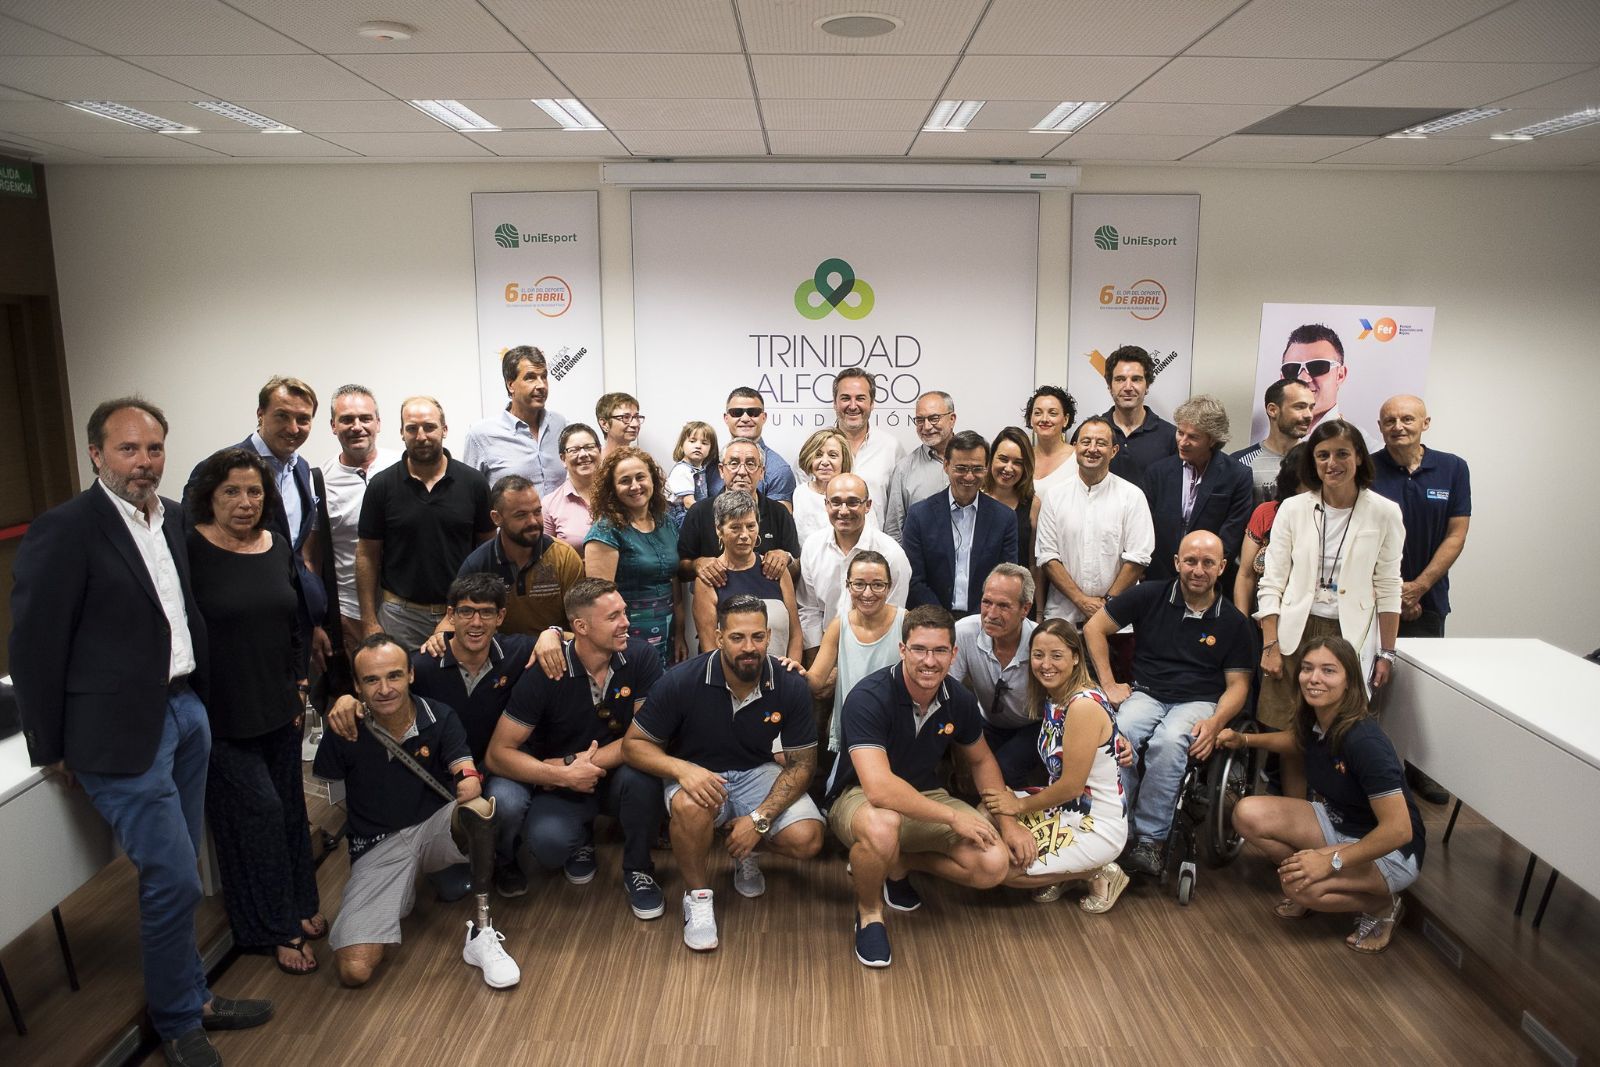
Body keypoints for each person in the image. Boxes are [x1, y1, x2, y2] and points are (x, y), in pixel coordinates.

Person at [11, 398, 273, 1067]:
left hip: (186, 712)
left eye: (153, 448)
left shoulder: (174, 518)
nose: (144, 462)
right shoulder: (65, 529)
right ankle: (179, 1019)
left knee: (180, 862)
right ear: (95, 453)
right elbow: (35, 646)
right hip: (120, 731)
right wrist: (53, 746)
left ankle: (194, 995)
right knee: (174, 876)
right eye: (128, 449)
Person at [824, 605, 1036, 969]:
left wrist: (1009, 822)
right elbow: (879, 788)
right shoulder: (868, 697)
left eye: (940, 651)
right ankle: (869, 912)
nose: (929, 661)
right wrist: (953, 819)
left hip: (924, 795)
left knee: (993, 863)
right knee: (883, 825)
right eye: (919, 649)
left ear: (953, 655)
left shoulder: (959, 699)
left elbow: (983, 761)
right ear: (903, 650)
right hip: (856, 796)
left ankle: (898, 863)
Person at [312, 635, 520, 989]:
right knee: (354, 970)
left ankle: (482, 931)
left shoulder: (439, 715)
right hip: (377, 844)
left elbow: (466, 769)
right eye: (371, 680)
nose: (384, 689)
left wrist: (468, 782)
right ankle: (407, 886)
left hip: (432, 828)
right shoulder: (344, 727)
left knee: (479, 807)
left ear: (410, 675)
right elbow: (334, 796)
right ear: (357, 685)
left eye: (393, 676)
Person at [622, 595, 825, 952]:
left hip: (755, 770)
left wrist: (759, 820)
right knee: (690, 807)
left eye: (758, 637)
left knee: (808, 837)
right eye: (737, 638)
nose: (750, 648)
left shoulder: (790, 683)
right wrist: (682, 769)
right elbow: (633, 746)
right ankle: (698, 897)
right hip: (698, 771)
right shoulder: (682, 680)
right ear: (718, 638)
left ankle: (747, 850)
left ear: (768, 635)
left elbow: (803, 764)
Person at [185, 448, 321, 977]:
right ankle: (269, 925)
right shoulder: (190, 550)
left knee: (289, 809)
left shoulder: (275, 544)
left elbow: (291, 623)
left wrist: (300, 683)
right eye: (231, 492)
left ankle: (301, 901)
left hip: (278, 704)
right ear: (210, 496)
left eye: (255, 492)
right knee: (255, 816)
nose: (245, 503)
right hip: (219, 712)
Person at [1223, 635, 1424, 953]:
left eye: (1328, 671)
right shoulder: (1320, 720)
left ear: (1349, 682)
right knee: (1246, 813)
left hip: (1391, 852)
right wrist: (1244, 741)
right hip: (1339, 824)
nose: (1314, 678)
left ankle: (1383, 905)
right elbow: (1297, 742)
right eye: (1307, 668)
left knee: (1298, 888)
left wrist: (1331, 861)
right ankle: (1314, 876)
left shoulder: (1366, 742)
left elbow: (1399, 830)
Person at [484, 578, 668, 918]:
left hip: (615, 777)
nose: (626, 622)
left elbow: (644, 739)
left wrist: (573, 763)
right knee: (549, 847)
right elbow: (498, 753)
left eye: (624, 612)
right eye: (614, 616)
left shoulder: (640, 657)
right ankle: (581, 838)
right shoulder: (545, 671)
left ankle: (638, 868)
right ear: (580, 627)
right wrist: (563, 774)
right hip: (563, 784)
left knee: (644, 774)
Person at [1083, 531, 1254, 878]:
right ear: (1177, 562)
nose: (1198, 569)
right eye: (1190, 560)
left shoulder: (1234, 622)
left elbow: (1239, 686)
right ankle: (1116, 828)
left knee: (1170, 741)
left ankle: (1150, 839)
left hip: (1199, 701)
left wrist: (1218, 721)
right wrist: (1108, 684)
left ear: (1221, 567)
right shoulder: (1149, 595)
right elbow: (1093, 628)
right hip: (1146, 692)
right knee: (1122, 734)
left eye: (1208, 562)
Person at [1255, 420, 1404, 757]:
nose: (1331, 463)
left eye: (1341, 454)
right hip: (1295, 630)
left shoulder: (1384, 512)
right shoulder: (1294, 509)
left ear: (1360, 458)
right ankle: (1291, 805)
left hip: (1349, 636)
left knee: (1339, 734)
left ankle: (1328, 807)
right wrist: (1270, 644)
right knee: (1289, 732)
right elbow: (1272, 580)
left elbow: (1389, 585)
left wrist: (1387, 652)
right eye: (1322, 455)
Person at [981, 620, 1130, 911]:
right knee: (987, 812)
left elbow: (1073, 786)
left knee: (1002, 868)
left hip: (1094, 822)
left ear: (1076, 657)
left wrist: (1018, 807)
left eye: (1056, 655)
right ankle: (1063, 872)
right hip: (1061, 809)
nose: (1045, 664)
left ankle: (1101, 870)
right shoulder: (1056, 698)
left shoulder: (1082, 705)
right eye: (1038, 655)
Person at [191, 375, 330, 676]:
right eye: (282, 416)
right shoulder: (218, 469)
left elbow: (296, 550)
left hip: (293, 615)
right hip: (241, 619)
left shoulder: (302, 468)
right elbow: (195, 547)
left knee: (294, 699)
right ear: (260, 414)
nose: (293, 428)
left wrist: (312, 618)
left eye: (303, 419)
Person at [1372, 394, 1470, 805]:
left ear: (1425, 423)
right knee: (1373, 686)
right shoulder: (1367, 469)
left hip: (1428, 600)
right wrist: (1396, 591)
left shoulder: (1452, 468)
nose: (1398, 426)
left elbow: (1456, 533)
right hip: (1375, 599)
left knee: (1421, 691)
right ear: (1380, 427)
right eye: (1389, 420)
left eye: (1407, 418)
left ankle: (1421, 771)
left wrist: (1419, 587)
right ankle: (1374, 772)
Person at [356, 396, 494, 649]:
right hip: (399, 616)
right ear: (401, 432)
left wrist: (461, 610)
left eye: (429, 427)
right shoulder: (381, 486)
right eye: (412, 428)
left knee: (457, 687)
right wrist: (368, 620)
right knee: (401, 687)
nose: (421, 436)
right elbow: (367, 555)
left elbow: (487, 551)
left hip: (461, 614)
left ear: (444, 429)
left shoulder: (473, 483)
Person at [1035, 415, 1153, 625]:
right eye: (1086, 441)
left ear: (1114, 451)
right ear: (1075, 447)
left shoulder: (1132, 496)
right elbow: (1047, 557)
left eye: (1101, 443)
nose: (1092, 449)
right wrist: (1081, 601)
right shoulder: (1054, 496)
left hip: (1118, 621)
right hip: (1063, 618)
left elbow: (1138, 558)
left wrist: (1108, 604)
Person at [584, 445, 683, 668]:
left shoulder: (666, 522)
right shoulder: (605, 530)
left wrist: (680, 633)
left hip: (667, 633)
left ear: (653, 480)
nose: (635, 486)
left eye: (641, 477)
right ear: (612, 488)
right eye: (625, 480)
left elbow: (674, 581)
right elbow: (599, 600)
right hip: (626, 637)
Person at [320, 385, 400, 660]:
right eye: (346, 419)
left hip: (404, 609)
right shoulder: (319, 482)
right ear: (333, 425)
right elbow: (312, 557)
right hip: (349, 614)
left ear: (378, 423)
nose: (357, 427)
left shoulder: (404, 467)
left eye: (365, 418)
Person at [902, 431, 1019, 616]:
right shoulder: (919, 515)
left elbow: (1006, 578)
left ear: (986, 468)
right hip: (932, 621)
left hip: (985, 620)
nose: (969, 477)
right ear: (946, 466)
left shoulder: (1004, 518)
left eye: (977, 468)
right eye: (961, 468)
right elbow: (914, 579)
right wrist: (942, 620)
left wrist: (976, 620)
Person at [1140, 395, 1253, 585]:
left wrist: (1204, 568)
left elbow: (1232, 533)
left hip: (1209, 579)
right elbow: (1144, 526)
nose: (1182, 442)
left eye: (1193, 437)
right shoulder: (1157, 472)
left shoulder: (1237, 475)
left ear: (1212, 439)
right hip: (1160, 575)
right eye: (1180, 432)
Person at [455, 474, 583, 636]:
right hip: (501, 655)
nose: (533, 522)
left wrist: (554, 635)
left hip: (556, 651)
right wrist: (439, 637)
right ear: (496, 518)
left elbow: (583, 625)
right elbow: (456, 621)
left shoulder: (564, 557)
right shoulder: (478, 564)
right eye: (521, 515)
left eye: (537, 512)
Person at [797, 472, 912, 652]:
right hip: (824, 650)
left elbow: (892, 620)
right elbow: (809, 609)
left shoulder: (891, 554)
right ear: (826, 505)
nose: (843, 511)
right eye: (835, 502)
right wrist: (818, 658)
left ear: (867, 505)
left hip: (875, 649)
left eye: (852, 502)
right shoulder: (812, 547)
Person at [949, 565, 1039, 788]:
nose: (991, 614)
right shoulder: (964, 631)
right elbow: (945, 689)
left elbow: (1074, 694)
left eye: (1004, 606)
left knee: (1005, 768)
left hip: (1033, 724)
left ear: (1025, 609)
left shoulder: (1042, 640)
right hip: (987, 721)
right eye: (987, 602)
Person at [806, 550, 905, 753]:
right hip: (852, 729)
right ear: (848, 586)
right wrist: (791, 672)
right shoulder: (838, 626)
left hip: (896, 728)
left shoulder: (906, 622)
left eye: (877, 584)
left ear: (889, 586)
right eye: (859, 584)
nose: (867, 593)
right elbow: (815, 680)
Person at [677, 438, 800, 591]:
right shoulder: (699, 512)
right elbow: (680, 569)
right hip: (714, 605)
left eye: (750, 464)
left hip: (768, 603)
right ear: (721, 470)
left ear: (761, 472)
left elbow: (797, 568)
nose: (742, 472)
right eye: (734, 463)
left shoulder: (779, 513)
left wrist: (786, 558)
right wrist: (696, 565)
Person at [692, 491, 803, 661]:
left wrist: (791, 671)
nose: (744, 535)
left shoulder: (776, 571)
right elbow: (710, 650)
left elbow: (795, 634)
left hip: (780, 679)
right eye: (735, 527)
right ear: (719, 530)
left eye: (751, 526)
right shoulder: (708, 580)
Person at [461, 345, 567, 497]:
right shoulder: (481, 435)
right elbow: (469, 495)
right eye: (530, 377)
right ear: (511, 385)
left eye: (544, 376)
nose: (541, 385)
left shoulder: (560, 424)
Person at [1234, 445, 1306, 618]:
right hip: (1262, 614)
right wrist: (1241, 626)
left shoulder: (1329, 517)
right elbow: (1245, 575)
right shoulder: (1267, 512)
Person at [882, 390, 958, 540]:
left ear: (952, 419)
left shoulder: (975, 461)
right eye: (920, 420)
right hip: (921, 562)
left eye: (934, 418)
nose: (927, 426)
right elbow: (894, 530)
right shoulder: (904, 469)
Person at [708, 386, 796, 506]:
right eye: (736, 413)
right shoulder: (709, 464)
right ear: (726, 418)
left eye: (753, 412)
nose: (745, 418)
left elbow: (778, 521)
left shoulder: (779, 470)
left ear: (763, 417)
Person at [1100, 345, 1176, 483]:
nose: (1128, 387)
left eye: (1136, 379)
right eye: (1120, 379)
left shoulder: (1171, 437)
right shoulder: (1091, 432)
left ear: (1147, 386)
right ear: (1109, 386)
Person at [1233, 378, 1315, 506]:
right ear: (1272, 410)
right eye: (1300, 407)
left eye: (1311, 407)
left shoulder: (1319, 460)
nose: (1309, 415)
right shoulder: (1240, 462)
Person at [832, 367, 903, 505]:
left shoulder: (891, 447)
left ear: (872, 403)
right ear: (835, 403)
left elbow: (898, 507)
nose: (853, 406)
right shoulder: (816, 449)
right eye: (845, 398)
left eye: (860, 398)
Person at [793, 427, 866, 547]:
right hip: (808, 563)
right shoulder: (800, 493)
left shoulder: (857, 492)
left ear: (844, 460)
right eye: (818, 455)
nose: (825, 461)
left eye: (833, 455)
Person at [982, 426, 1037, 571]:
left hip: (1018, 591)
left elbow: (1033, 563)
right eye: (1003, 459)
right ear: (990, 458)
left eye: (1018, 463)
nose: (1008, 468)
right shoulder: (973, 498)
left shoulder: (1033, 504)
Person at [1281, 323, 1349, 432]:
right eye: (1292, 369)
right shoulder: (1263, 444)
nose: (1303, 378)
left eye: (1317, 367)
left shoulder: (1365, 447)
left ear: (1340, 375)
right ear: (1282, 378)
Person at [544, 422, 602, 550]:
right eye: (574, 450)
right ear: (563, 458)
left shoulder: (618, 493)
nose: (583, 454)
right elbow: (546, 557)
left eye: (589, 447)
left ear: (600, 450)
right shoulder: (549, 505)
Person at [1024, 385, 1077, 497]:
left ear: (1065, 420)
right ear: (1030, 418)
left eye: (1052, 413)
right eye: (1038, 413)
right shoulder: (1023, 457)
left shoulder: (1078, 459)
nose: (1044, 419)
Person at [665, 419, 718, 528]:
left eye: (704, 443)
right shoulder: (682, 470)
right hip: (682, 516)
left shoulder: (699, 469)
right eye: (692, 441)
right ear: (682, 444)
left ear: (710, 449)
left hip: (694, 511)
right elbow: (688, 502)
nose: (698, 446)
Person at [595, 391, 643, 457]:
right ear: (604, 424)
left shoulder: (642, 463)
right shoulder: (595, 463)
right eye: (626, 417)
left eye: (636, 417)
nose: (635, 424)